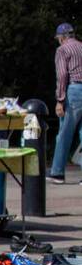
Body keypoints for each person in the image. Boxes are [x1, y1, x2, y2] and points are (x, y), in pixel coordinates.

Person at [49, 23, 82, 183]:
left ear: (62, 37)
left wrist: (60, 100)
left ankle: (57, 172)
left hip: (74, 91)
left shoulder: (62, 50)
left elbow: (62, 75)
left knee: (64, 133)